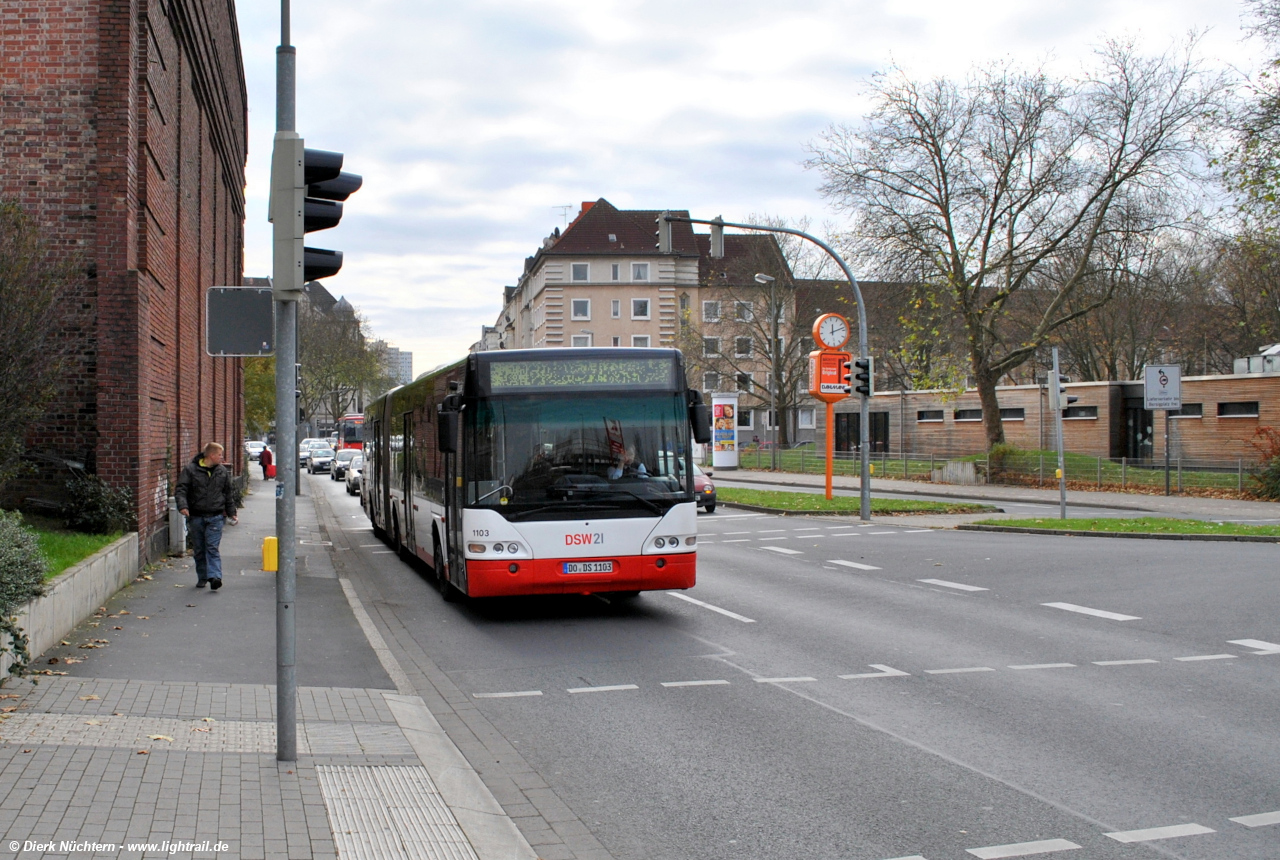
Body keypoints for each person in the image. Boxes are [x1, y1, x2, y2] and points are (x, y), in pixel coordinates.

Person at [175, 442, 238, 591]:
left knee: (212, 547)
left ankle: (215, 577)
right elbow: (181, 489)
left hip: (216, 515)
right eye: (220, 455)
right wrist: (183, 506)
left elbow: (228, 493)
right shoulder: (191, 470)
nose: (222, 458)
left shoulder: (222, 472)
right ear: (211, 455)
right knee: (199, 548)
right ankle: (203, 576)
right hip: (196, 515)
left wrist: (232, 512)